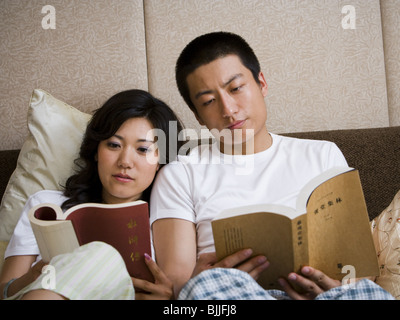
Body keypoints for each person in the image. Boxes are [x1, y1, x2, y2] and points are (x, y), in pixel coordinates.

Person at [150, 31, 394, 300]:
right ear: (198, 115)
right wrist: (200, 278)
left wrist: (332, 288)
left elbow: (358, 268)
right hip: (230, 298)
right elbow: (176, 287)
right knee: (205, 287)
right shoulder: (180, 174)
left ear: (261, 83)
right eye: (208, 101)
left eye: (235, 88)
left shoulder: (323, 154)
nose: (228, 109)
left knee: (364, 293)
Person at [0, 89, 184, 300]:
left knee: (101, 254)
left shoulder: (169, 226)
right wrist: (33, 276)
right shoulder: (46, 208)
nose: (125, 161)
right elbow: (5, 291)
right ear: (96, 150)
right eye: (114, 145)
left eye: (142, 150)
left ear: (161, 162)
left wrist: (169, 298)